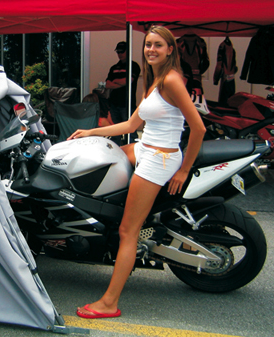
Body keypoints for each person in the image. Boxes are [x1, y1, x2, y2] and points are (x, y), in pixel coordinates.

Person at [67, 25, 206, 319]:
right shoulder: (154, 79)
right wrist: (92, 132)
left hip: (160, 158)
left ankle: (109, 303)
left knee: (128, 231)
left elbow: (199, 128)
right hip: (145, 147)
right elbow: (132, 126)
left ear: (170, 49)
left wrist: (183, 170)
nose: (151, 49)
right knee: (102, 160)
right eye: (148, 45)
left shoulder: (171, 80)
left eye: (158, 45)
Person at [105, 41, 141, 145]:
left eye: (122, 51)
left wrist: (116, 82)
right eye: (118, 51)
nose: (119, 54)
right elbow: (107, 84)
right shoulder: (114, 67)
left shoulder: (133, 66)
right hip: (114, 103)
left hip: (127, 103)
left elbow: (128, 81)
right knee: (115, 132)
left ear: (127, 51)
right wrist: (121, 83)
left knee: (131, 132)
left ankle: (133, 155)